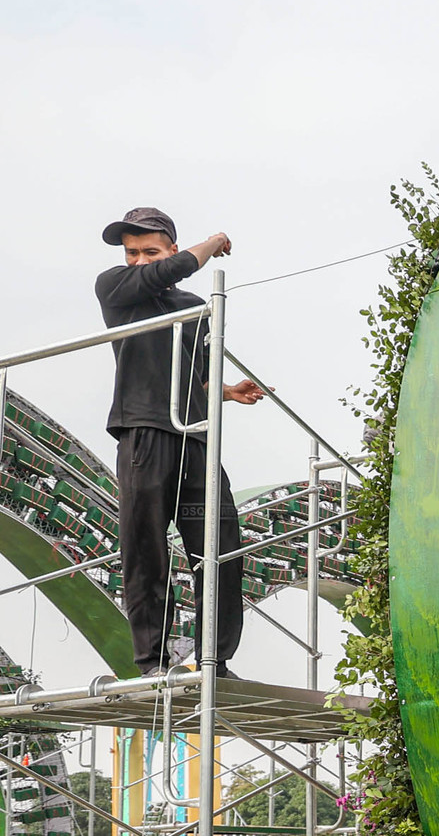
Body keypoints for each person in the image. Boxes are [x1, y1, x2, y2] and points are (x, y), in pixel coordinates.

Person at [95, 207, 266, 678]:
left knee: (218, 541)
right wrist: (212, 243)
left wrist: (227, 391)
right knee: (145, 546)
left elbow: (198, 377)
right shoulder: (116, 288)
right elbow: (167, 272)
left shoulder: (194, 307)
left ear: (171, 247)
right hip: (144, 434)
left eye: (150, 251)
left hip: (193, 440)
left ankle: (215, 658)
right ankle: (153, 661)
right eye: (132, 252)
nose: (139, 261)